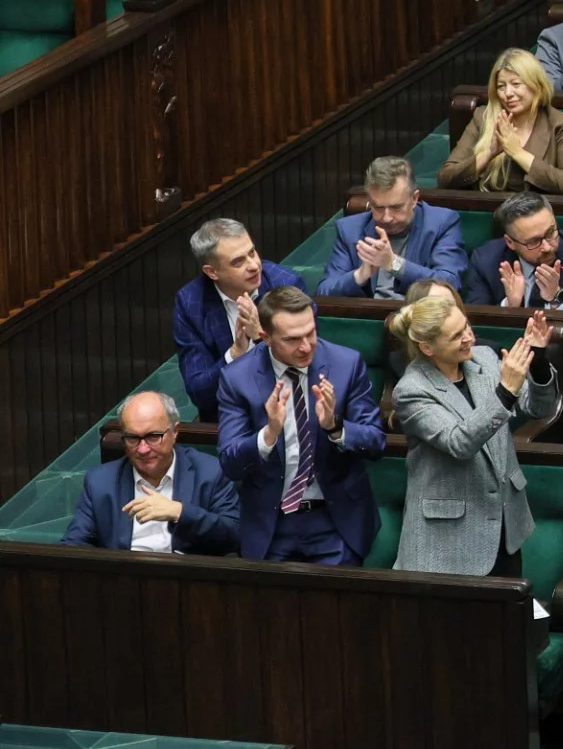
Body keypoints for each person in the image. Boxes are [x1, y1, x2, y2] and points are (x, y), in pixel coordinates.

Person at [386, 288, 556, 576]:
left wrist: (537, 362)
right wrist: (505, 392)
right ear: (428, 348)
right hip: (447, 539)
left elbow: (538, 409)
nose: (469, 338)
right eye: (455, 336)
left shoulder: (484, 359)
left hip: (504, 525)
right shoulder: (412, 390)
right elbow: (459, 442)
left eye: (465, 326)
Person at [216, 285, 386, 564]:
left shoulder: (346, 364)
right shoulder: (237, 379)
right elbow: (230, 463)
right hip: (271, 524)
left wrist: (335, 427)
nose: (306, 346)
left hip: (335, 521)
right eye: (293, 339)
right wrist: (268, 434)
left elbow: (376, 442)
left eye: (311, 333)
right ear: (265, 337)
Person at [62, 391, 238, 554]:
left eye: (153, 436)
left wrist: (181, 513)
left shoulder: (210, 472)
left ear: (174, 432)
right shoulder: (100, 481)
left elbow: (235, 535)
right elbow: (73, 545)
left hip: (189, 581)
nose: (143, 449)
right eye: (133, 438)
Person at [175, 217, 304, 420]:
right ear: (212, 272)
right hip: (229, 417)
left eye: (252, 252)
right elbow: (200, 392)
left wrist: (261, 338)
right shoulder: (191, 303)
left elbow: (303, 365)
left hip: (287, 410)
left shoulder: (286, 285)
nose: (253, 265)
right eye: (238, 262)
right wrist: (235, 354)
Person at [438, 47, 563, 193]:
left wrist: (518, 153)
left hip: (536, 211)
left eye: (516, 84)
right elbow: (445, 179)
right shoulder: (483, 117)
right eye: (501, 86)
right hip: (489, 208)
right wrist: (489, 153)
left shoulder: (560, 124)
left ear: (537, 86)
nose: (508, 93)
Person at [326, 156, 466, 297]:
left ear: (414, 199)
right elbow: (324, 291)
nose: (386, 218)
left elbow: (450, 284)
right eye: (378, 208)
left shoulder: (441, 223)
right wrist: (359, 275)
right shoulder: (349, 229)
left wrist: (394, 263)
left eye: (396, 207)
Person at [460, 194, 563, 312]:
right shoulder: (486, 260)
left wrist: (557, 297)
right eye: (533, 242)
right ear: (510, 242)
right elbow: (477, 325)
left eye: (550, 232)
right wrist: (509, 306)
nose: (546, 247)